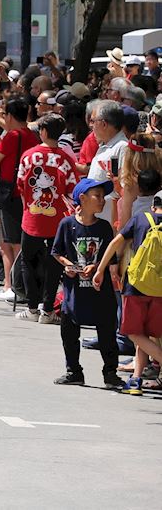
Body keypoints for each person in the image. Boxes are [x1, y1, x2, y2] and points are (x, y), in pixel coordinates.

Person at [92, 189, 162, 396]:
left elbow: (116, 242)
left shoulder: (141, 218)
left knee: (132, 332)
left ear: (153, 204)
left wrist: (100, 268)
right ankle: (136, 380)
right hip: (159, 288)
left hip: (137, 285)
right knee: (145, 334)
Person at [51, 179, 121, 387]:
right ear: (82, 198)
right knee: (69, 330)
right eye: (97, 196)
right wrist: (68, 265)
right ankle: (74, 370)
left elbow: (111, 256)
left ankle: (110, 372)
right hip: (75, 290)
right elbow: (57, 252)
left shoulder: (104, 227)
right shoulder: (67, 224)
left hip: (100, 290)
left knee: (107, 332)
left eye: (102, 196)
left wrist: (97, 266)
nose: (102, 200)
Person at [14, 114, 78, 322]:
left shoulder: (28, 156)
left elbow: (21, 185)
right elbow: (72, 190)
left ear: (42, 131)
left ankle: (32, 308)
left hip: (31, 216)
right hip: (57, 219)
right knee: (55, 263)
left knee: (28, 261)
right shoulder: (66, 159)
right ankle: (48, 309)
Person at [0, 98, 37, 302]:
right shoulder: (32, 136)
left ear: (9, 116)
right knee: (11, 241)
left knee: (11, 242)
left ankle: (14, 285)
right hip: (25, 194)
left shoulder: (12, 136)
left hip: (10, 193)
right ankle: (13, 284)